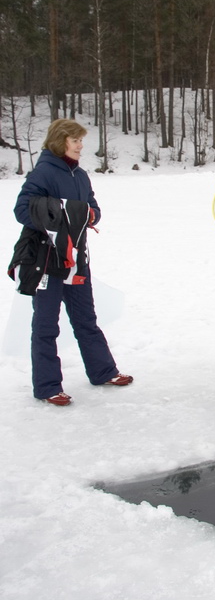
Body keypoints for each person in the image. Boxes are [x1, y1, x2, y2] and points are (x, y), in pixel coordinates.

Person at [9, 118, 133, 407]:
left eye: (81, 141)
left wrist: (90, 215)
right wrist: (59, 218)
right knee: (46, 326)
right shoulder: (43, 172)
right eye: (75, 140)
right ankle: (47, 386)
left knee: (86, 319)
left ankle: (103, 371)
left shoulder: (80, 175)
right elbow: (22, 210)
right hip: (47, 261)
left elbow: (93, 208)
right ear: (60, 140)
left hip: (77, 260)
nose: (80, 146)